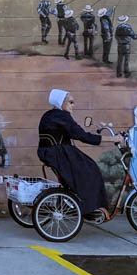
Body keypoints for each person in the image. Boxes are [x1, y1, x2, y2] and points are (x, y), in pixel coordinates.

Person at [38, 89, 109, 221]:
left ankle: (83, 204)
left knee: (84, 171)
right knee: (91, 170)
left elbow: (72, 132)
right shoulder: (62, 115)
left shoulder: (49, 115)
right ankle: (88, 209)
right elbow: (81, 136)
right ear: (61, 102)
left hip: (50, 152)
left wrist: (90, 132)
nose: (73, 105)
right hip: (59, 153)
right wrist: (113, 139)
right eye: (70, 102)